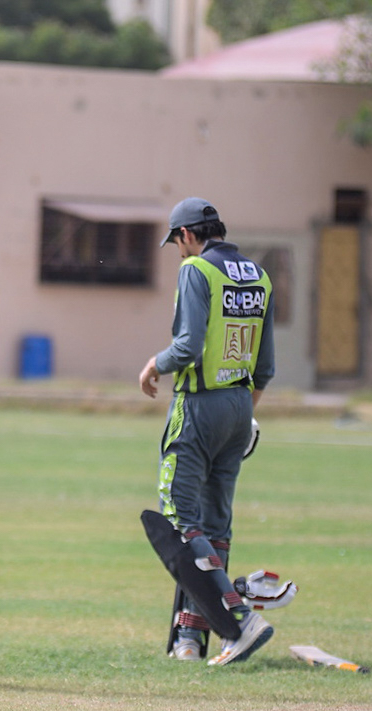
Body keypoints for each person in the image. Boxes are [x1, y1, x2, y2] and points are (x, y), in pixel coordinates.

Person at [138, 197, 276, 666]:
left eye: (177, 241)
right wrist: (243, 415)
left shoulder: (196, 270)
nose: (178, 250)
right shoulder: (259, 276)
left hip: (199, 405)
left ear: (186, 234)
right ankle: (190, 640)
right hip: (240, 405)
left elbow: (189, 346)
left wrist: (154, 364)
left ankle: (238, 620)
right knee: (214, 528)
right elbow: (266, 366)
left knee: (178, 518)